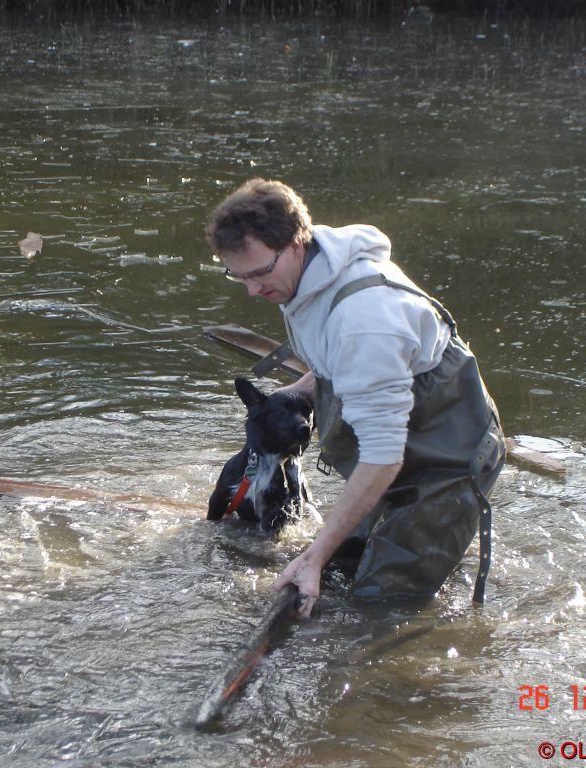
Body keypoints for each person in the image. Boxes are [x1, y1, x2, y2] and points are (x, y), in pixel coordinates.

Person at [206, 178, 505, 619]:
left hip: (444, 465)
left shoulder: (366, 319)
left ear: (294, 243)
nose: (252, 291)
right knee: (343, 562)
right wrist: (296, 392)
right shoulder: (306, 273)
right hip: (401, 444)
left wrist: (311, 558)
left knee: (377, 604)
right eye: (238, 276)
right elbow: (342, 360)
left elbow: (383, 456)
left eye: (259, 274)